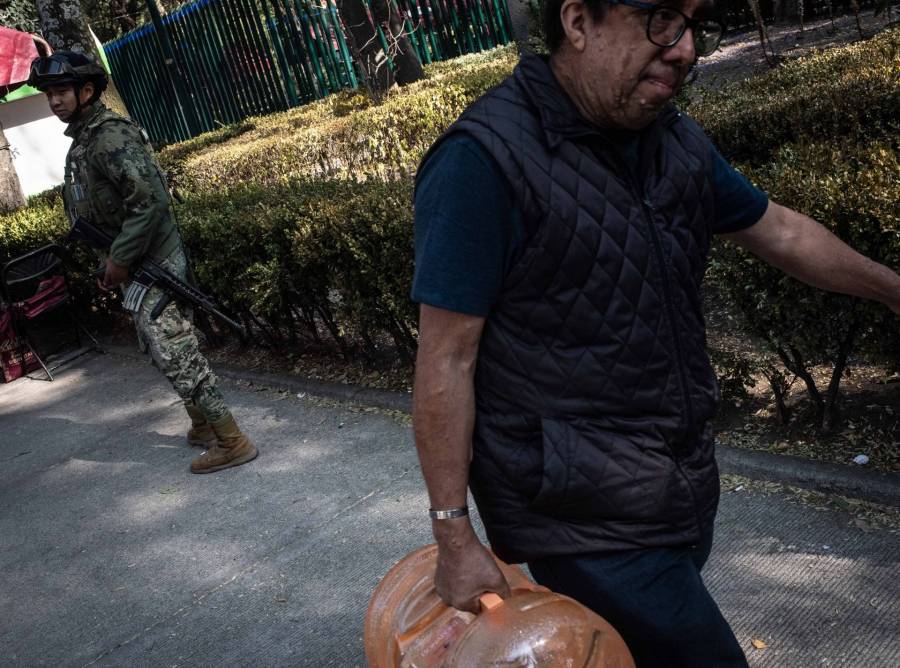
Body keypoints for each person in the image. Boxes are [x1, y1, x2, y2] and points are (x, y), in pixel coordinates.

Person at [410, 1, 900, 666]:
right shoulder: (482, 161)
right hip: (579, 512)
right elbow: (446, 358)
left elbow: (779, 231)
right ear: (578, 21)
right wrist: (455, 537)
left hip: (677, 480)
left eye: (699, 23)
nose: (687, 49)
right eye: (664, 18)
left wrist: (894, 289)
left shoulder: (669, 138)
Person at [28, 51, 258, 474]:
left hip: (153, 259)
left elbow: (149, 203)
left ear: (87, 91)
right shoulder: (84, 139)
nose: (55, 101)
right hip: (135, 262)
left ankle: (232, 439)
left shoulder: (109, 137)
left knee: (174, 347)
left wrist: (120, 257)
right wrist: (112, 261)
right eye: (49, 95)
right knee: (158, 345)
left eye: (61, 92)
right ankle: (204, 424)